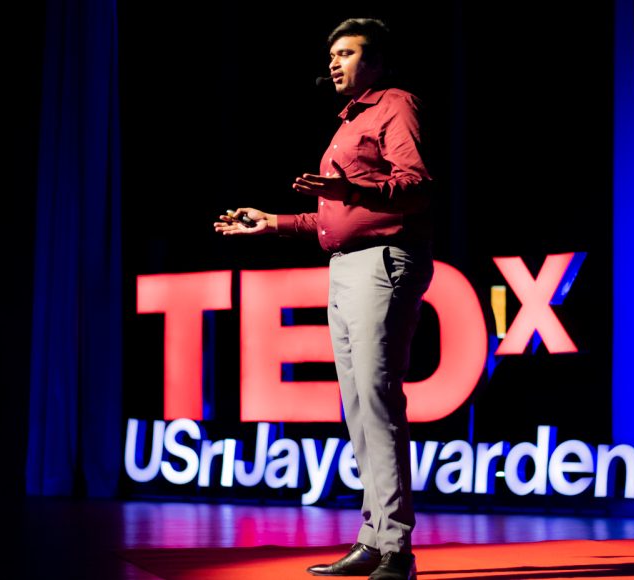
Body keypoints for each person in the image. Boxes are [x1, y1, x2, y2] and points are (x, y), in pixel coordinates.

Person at [213, 17, 431, 580]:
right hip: (346, 266)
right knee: (357, 406)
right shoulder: (349, 121)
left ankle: (397, 550)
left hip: (382, 263)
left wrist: (350, 188)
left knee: (377, 401)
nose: (333, 63)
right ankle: (373, 538)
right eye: (331, 55)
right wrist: (274, 222)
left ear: (375, 60)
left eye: (346, 53)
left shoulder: (394, 105)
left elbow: (416, 185)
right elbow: (334, 217)